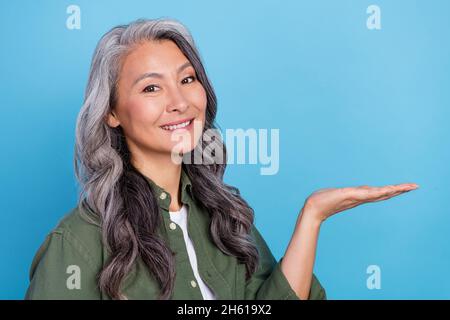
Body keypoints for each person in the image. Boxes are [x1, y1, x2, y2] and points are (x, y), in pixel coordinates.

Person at [25, 18, 417, 300]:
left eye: (187, 79)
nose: (179, 102)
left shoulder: (222, 213)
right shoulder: (75, 245)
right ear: (111, 113)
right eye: (151, 88)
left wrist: (313, 216)